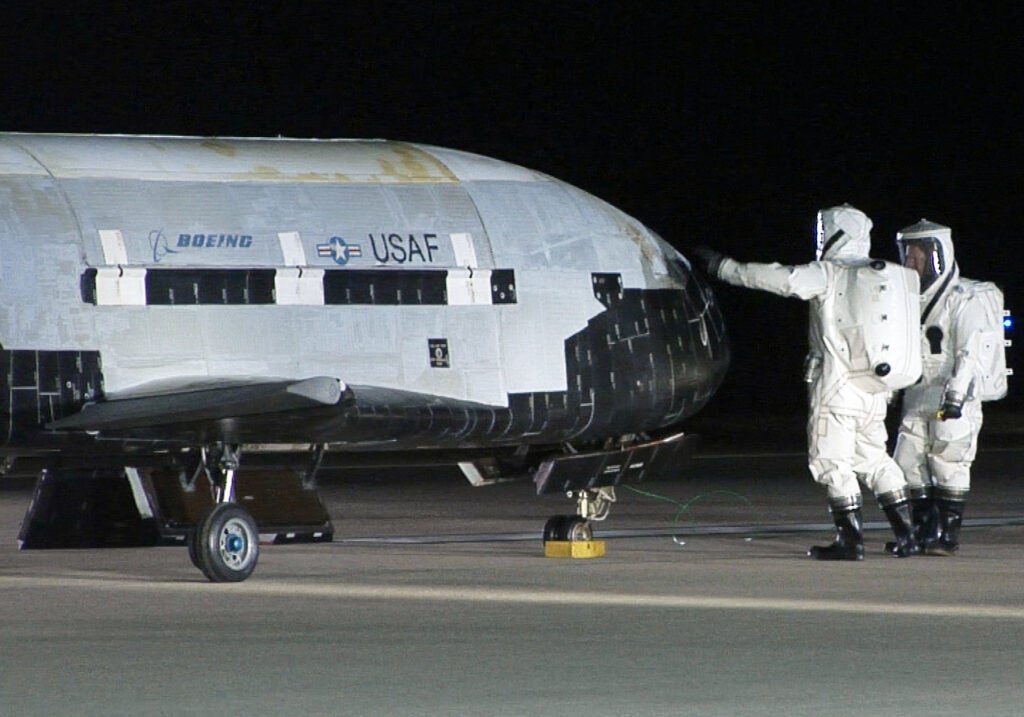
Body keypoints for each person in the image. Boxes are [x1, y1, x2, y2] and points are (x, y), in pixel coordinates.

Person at [693, 204, 921, 560]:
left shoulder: (830, 273)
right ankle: (908, 536)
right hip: (874, 392)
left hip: (837, 388)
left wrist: (725, 268)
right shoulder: (877, 276)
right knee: (875, 460)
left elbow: (781, 279)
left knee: (830, 461)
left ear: (832, 233)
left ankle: (850, 542)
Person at [893, 220, 1003, 555]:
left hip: (953, 392)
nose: (910, 262)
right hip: (917, 391)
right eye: (907, 254)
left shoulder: (964, 298)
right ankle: (923, 530)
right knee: (907, 460)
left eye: (916, 256)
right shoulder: (909, 299)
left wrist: (955, 396)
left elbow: (970, 351)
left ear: (936, 254)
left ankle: (947, 535)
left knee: (948, 461)